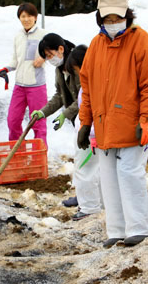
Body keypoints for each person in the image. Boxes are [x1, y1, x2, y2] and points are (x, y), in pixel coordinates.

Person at [78, 0, 148, 248]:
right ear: (100, 19)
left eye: (118, 17)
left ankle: (140, 227)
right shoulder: (95, 45)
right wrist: (85, 123)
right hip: (104, 126)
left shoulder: (144, 43)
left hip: (132, 125)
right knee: (109, 176)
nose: (112, 22)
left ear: (127, 15)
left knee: (129, 173)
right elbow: (88, 88)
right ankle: (116, 229)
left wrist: (145, 120)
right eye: (108, 18)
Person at [32, 39, 101, 220]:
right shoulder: (59, 71)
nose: (49, 59)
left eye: (49, 55)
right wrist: (43, 112)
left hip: (89, 126)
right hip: (82, 123)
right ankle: (88, 200)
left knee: (86, 164)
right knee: (86, 164)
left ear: (60, 49)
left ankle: (90, 205)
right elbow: (60, 96)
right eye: (46, 57)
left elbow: (84, 99)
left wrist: (67, 114)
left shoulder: (78, 66)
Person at [0, 2, 48, 145]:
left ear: (35, 17)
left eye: (30, 16)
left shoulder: (43, 35)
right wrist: (6, 69)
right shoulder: (18, 36)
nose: (26, 19)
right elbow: (15, 60)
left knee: (38, 124)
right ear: (19, 18)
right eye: (23, 16)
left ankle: (39, 156)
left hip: (37, 86)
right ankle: (17, 154)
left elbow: (56, 53)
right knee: (12, 121)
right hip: (19, 86)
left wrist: (44, 57)